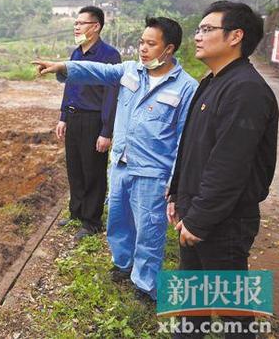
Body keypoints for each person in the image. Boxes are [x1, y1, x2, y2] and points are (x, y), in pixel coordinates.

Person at [34, 17, 198, 301]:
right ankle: (123, 264)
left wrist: (175, 183)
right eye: (141, 42)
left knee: (149, 230)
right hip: (122, 163)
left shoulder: (185, 88)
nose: (143, 49)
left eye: (151, 44)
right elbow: (98, 71)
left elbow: (185, 140)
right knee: (119, 221)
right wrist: (63, 67)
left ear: (169, 48)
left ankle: (146, 284)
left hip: (153, 172)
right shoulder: (130, 71)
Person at [168, 1, 277, 338]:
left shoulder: (246, 90)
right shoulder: (213, 82)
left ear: (236, 36)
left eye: (206, 29)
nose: (197, 36)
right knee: (190, 309)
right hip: (197, 211)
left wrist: (200, 219)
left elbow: (229, 164)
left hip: (224, 221)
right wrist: (176, 193)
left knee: (235, 318)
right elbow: (192, 147)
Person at [56, 6, 121, 241]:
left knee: (93, 169)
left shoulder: (109, 55)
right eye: (76, 23)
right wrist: (63, 116)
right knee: (74, 168)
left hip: (93, 119)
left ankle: (91, 221)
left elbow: (111, 95)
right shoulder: (76, 54)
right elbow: (70, 86)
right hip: (74, 117)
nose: (77, 27)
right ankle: (77, 212)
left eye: (82, 23)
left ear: (96, 27)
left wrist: (106, 130)